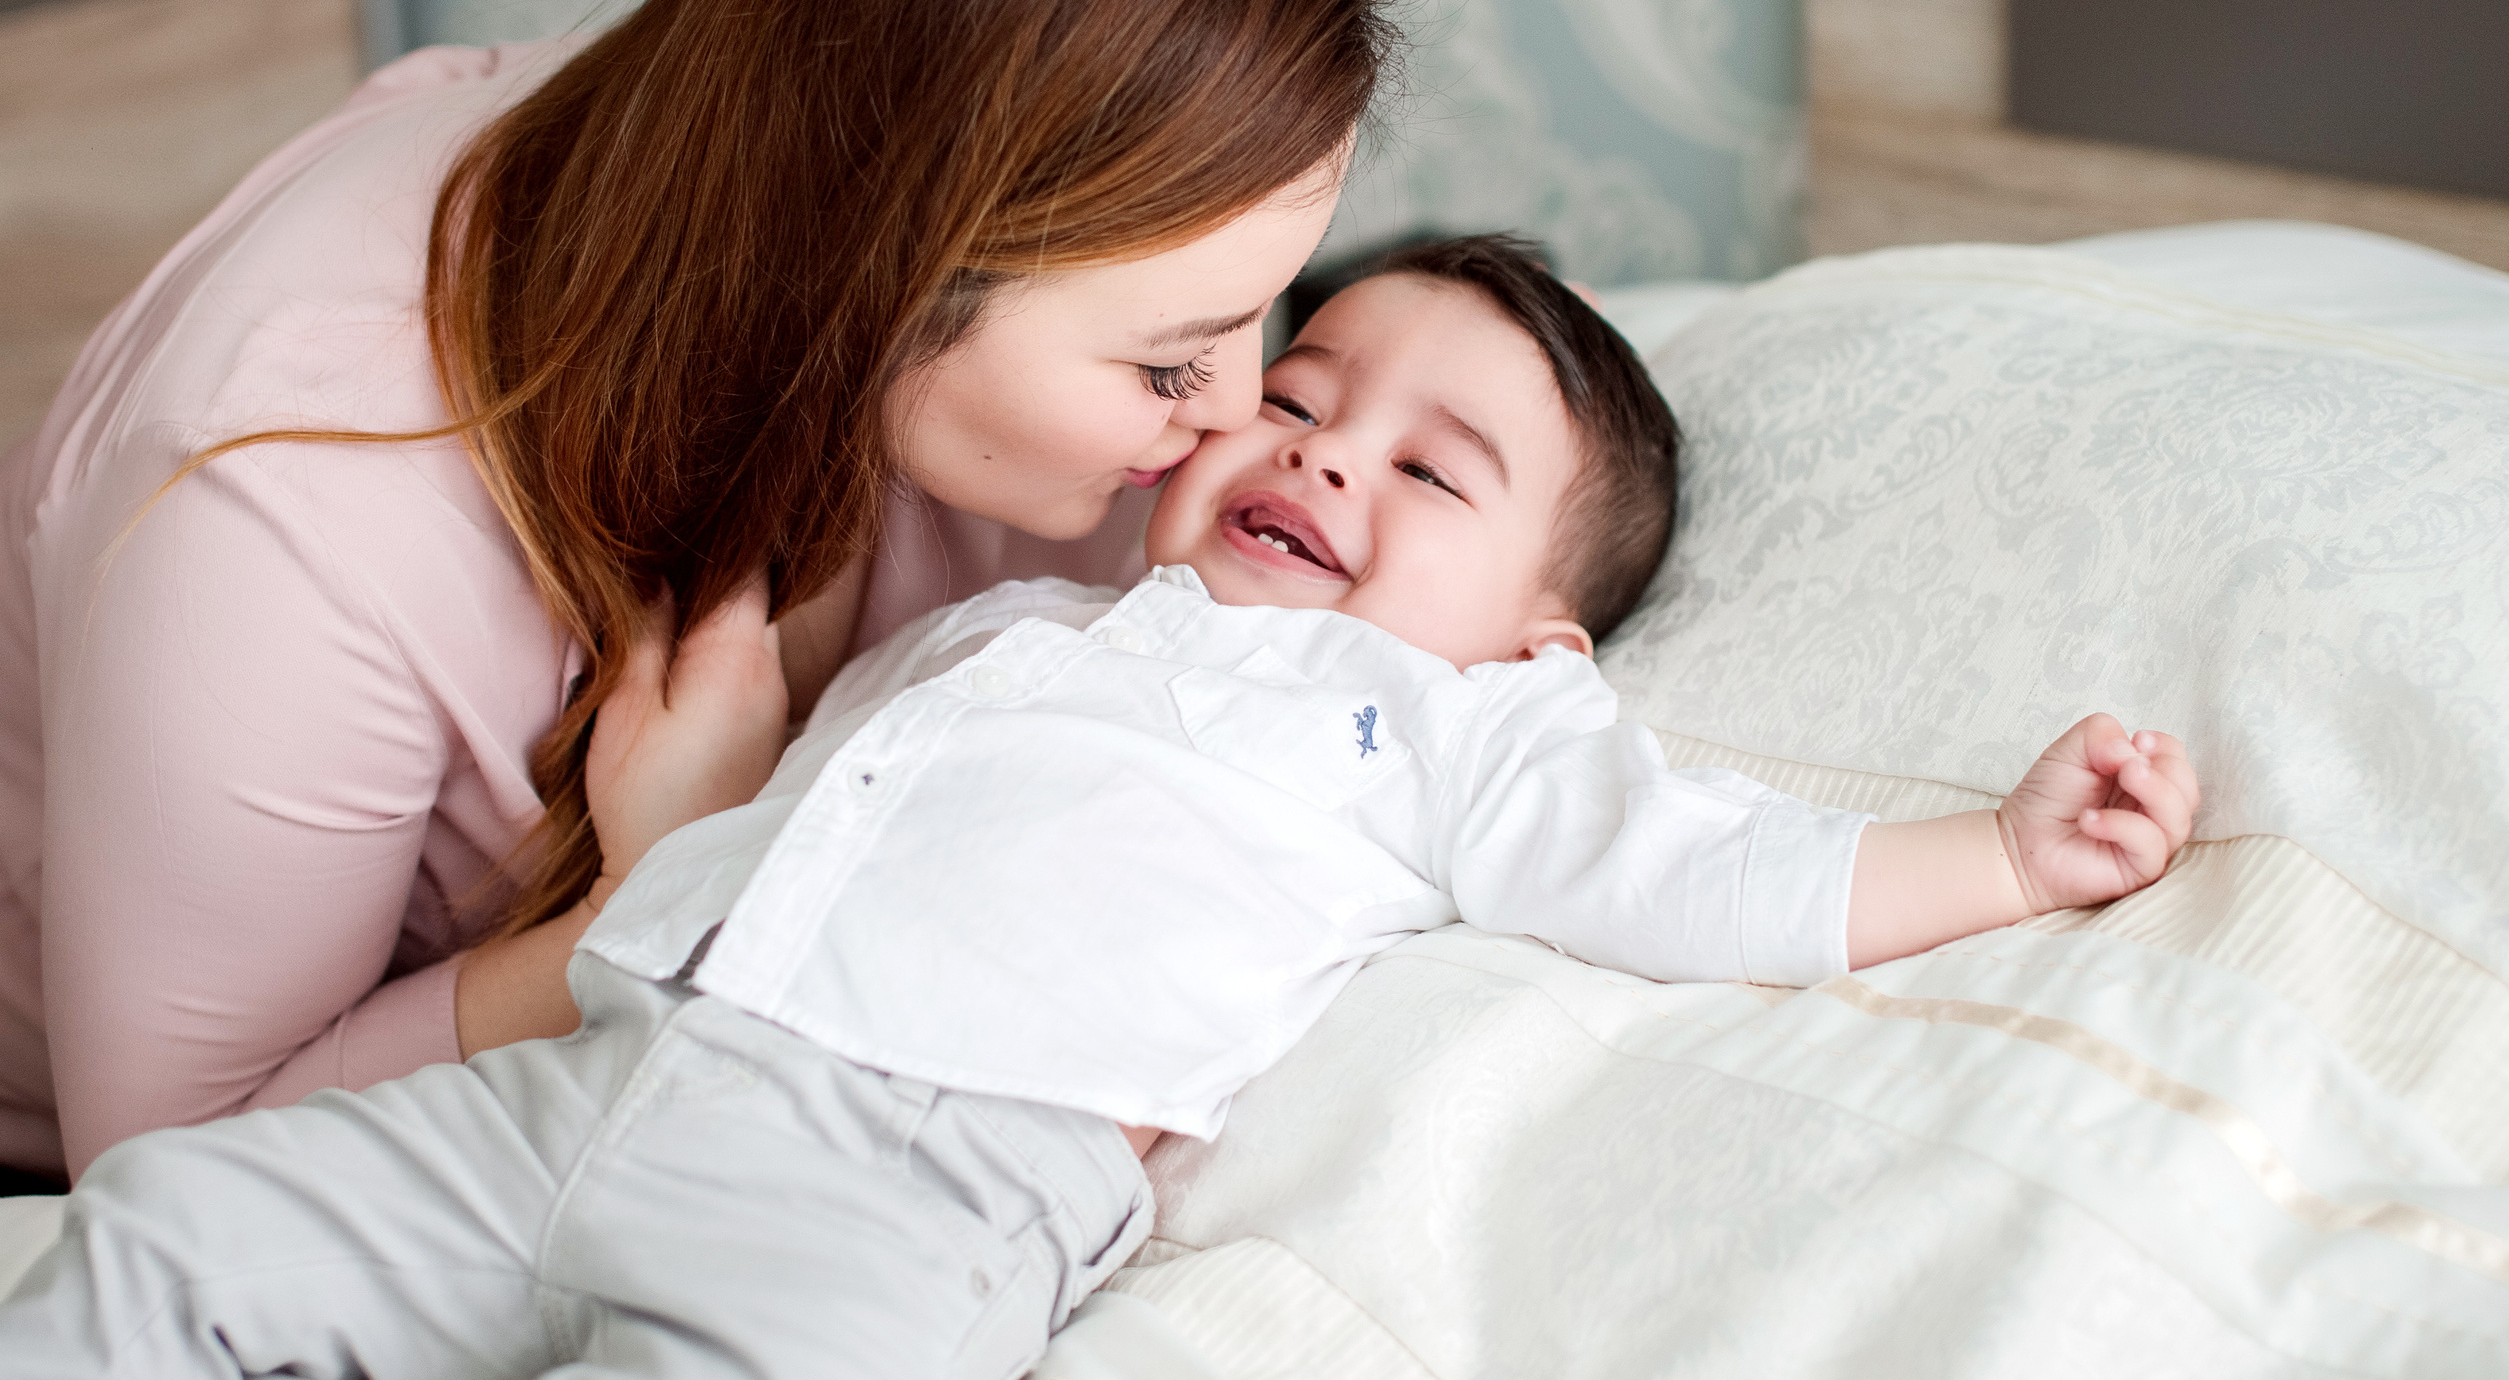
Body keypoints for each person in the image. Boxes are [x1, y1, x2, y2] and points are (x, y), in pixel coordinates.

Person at [0, 237, 2199, 1378]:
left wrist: (1995, 855)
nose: (1323, 449)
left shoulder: (1449, 732)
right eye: (1302, 390)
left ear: (1537, 639)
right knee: (181, 1240)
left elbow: (1700, 870)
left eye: (1426, 471)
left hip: (906, 1184)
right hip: (623, 1063)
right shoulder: (1030, 621)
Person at [0, 0, 1401, 1187]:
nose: (1235, 409)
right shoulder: (282, 529)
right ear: (881, 269)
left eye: (1258, 322)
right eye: (1171, 359)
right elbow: (170, 1181)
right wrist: (669, 892)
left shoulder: (771, 169)